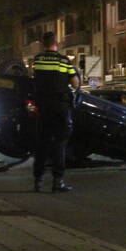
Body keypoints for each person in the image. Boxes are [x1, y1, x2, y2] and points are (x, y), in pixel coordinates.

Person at [31, 31, 79, 193]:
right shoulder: (64, 60)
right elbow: (75, 83)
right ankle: (57, 181)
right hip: (60, 106)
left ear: (43, 44)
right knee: (60, 144)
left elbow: (35, 78)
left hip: (43, 107)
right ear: (56, 43)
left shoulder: (37, 60)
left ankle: (38, 180)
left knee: (42, 144)